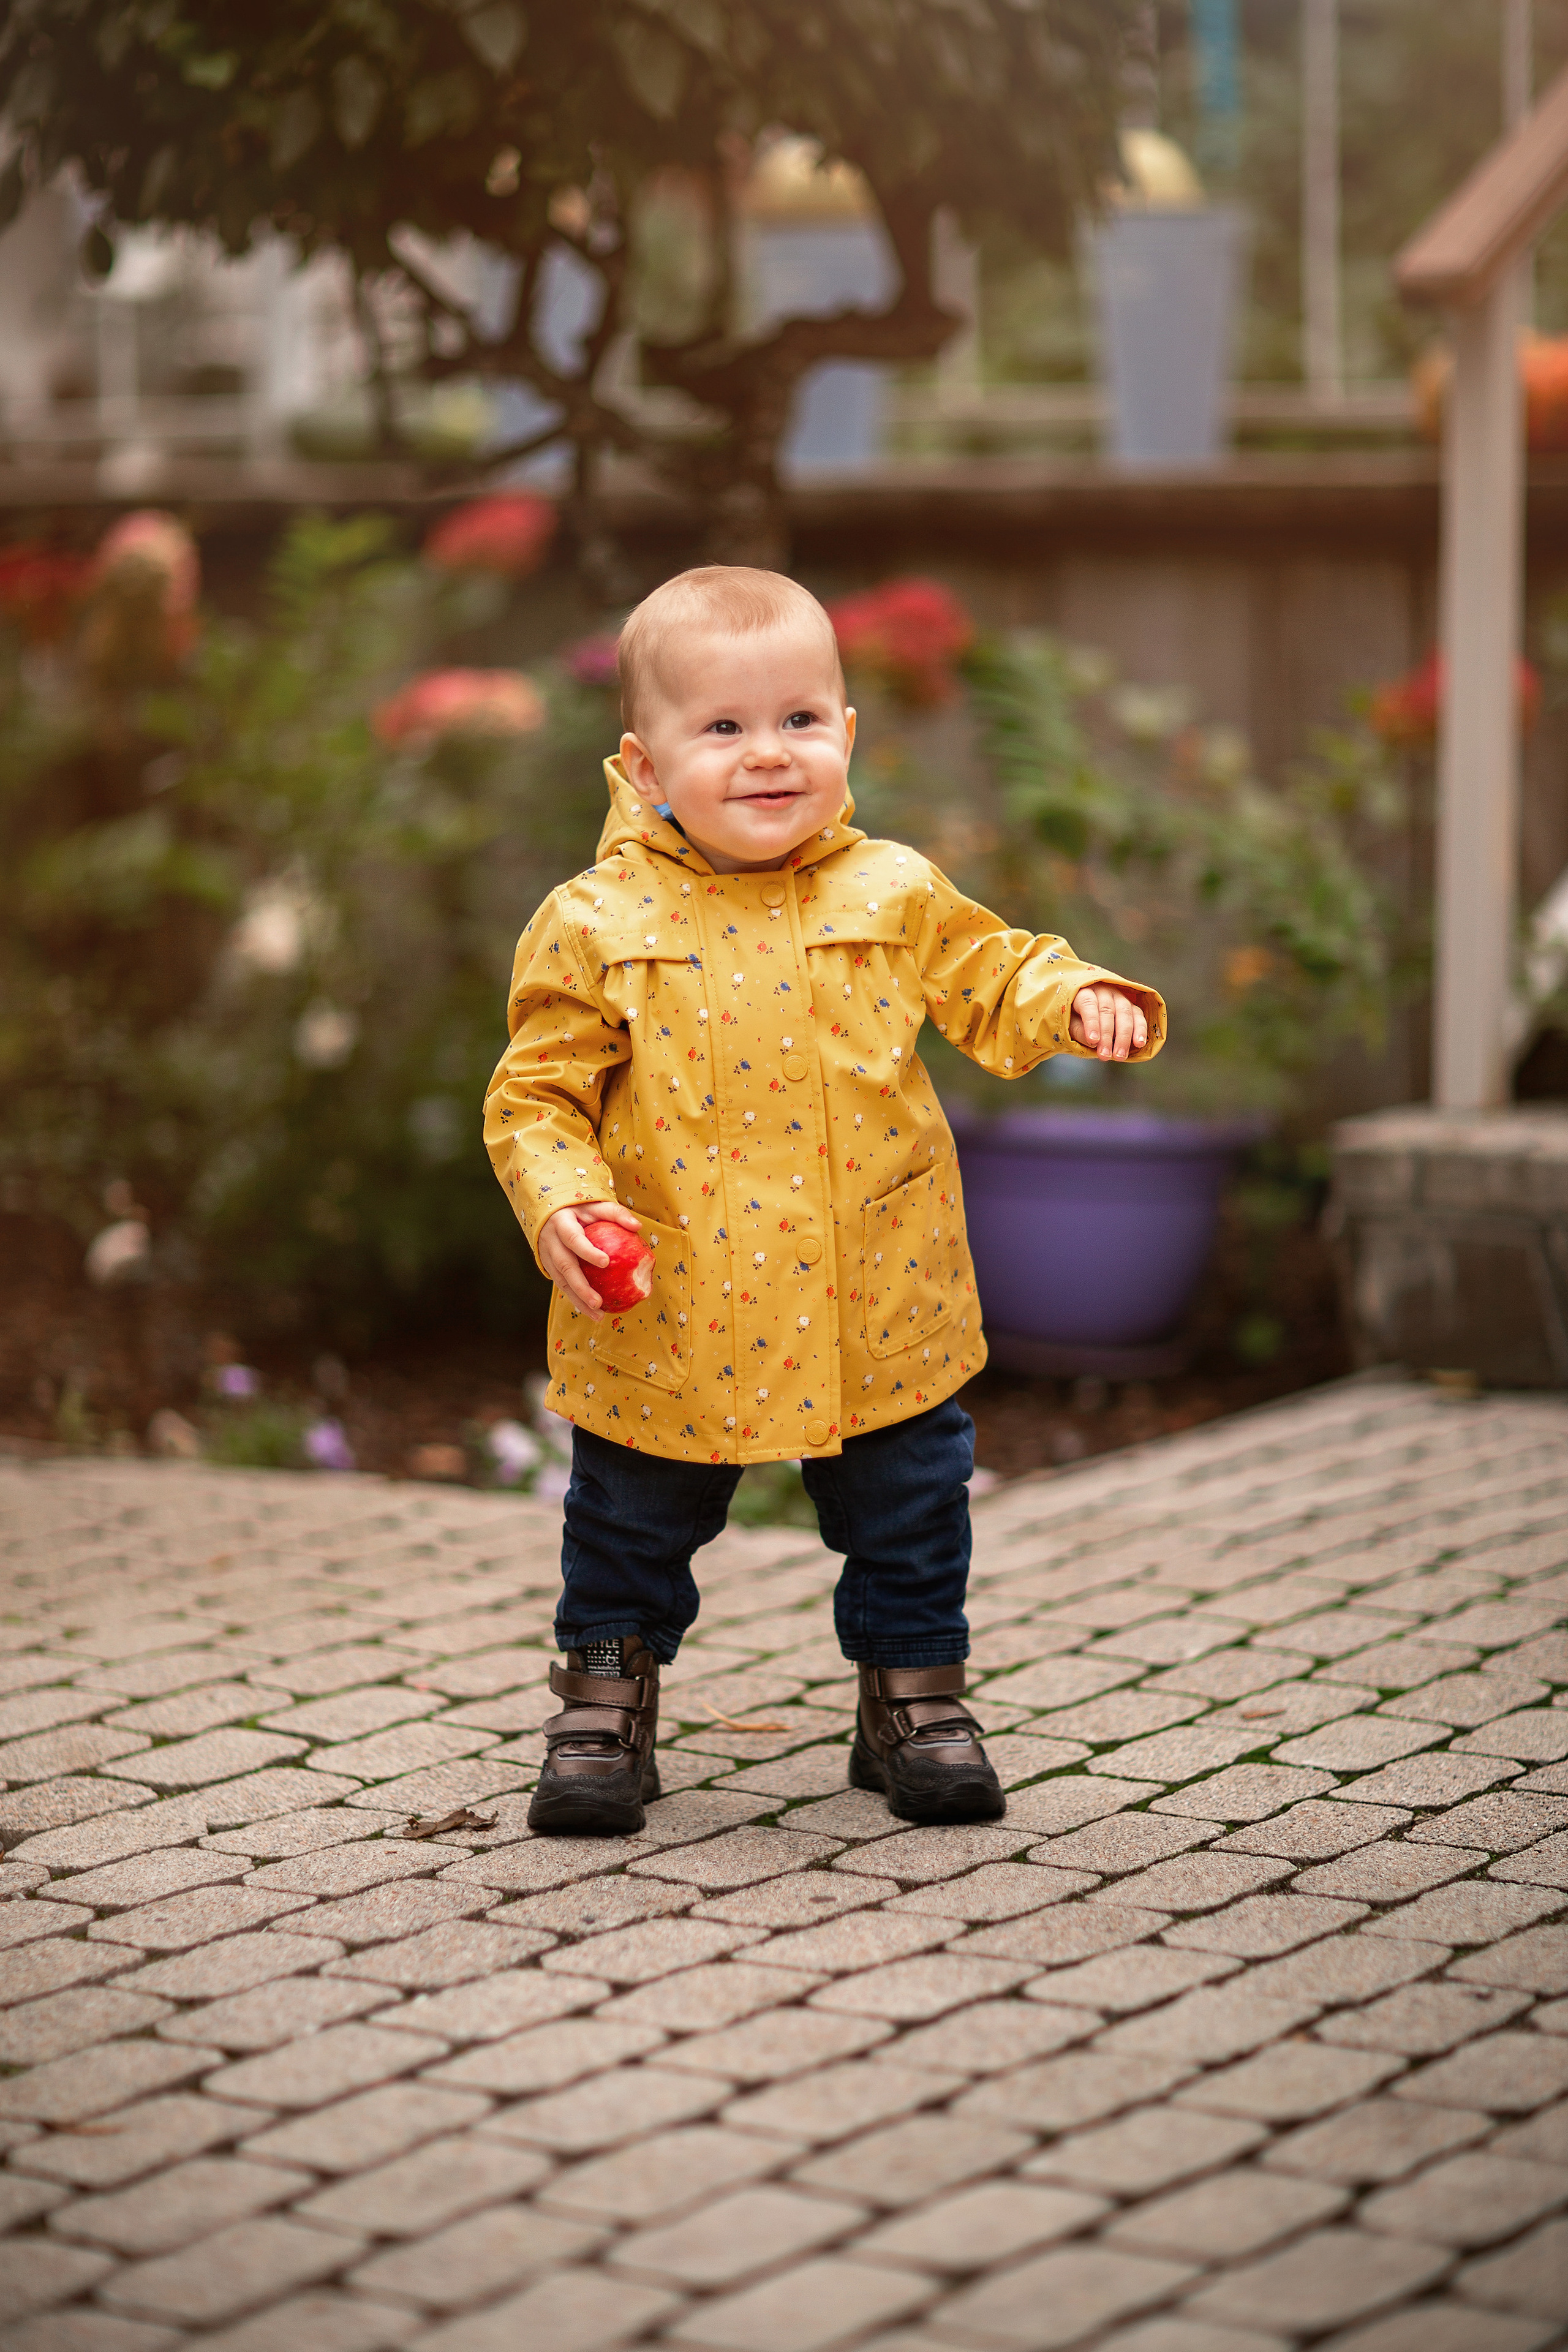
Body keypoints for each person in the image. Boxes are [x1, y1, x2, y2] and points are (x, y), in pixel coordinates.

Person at [484, 567, 1164, 1836]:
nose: (767, 756)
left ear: (846, 737)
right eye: (722, 728)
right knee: (629, 1514)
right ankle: (602, 1694)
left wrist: (1068, 999)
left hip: (876, 1292)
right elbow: (535, 1100)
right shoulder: (593, 921)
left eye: (798, 720)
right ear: (642, 767)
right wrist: (564, 1204)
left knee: (909, 1504)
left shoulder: (889, 892)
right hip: (672, 1301)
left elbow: (987, 970)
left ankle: (913, 1694)